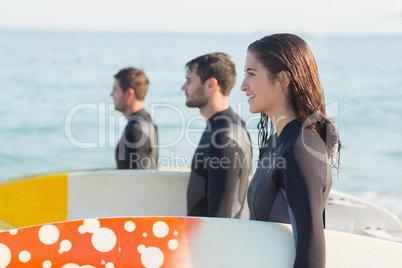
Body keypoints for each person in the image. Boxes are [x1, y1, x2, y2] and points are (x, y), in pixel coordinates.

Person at [240, 34, 341, 267]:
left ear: (283, 79)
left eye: (251, 74)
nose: (243, 85)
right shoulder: (274, 143)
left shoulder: (301, 150)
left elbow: (312, 257)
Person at [182, 52, 252, 218]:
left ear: (210, 85)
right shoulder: (229, 125)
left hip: (214, 241)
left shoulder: (223, 137)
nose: (183, 87)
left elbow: (221, 215)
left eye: (189, 81)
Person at [111, 67, 158, 169]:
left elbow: (139, 178)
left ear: (129, 94)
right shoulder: (146, 119)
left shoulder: (135, 130)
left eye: (115, 90)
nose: (111, 95)